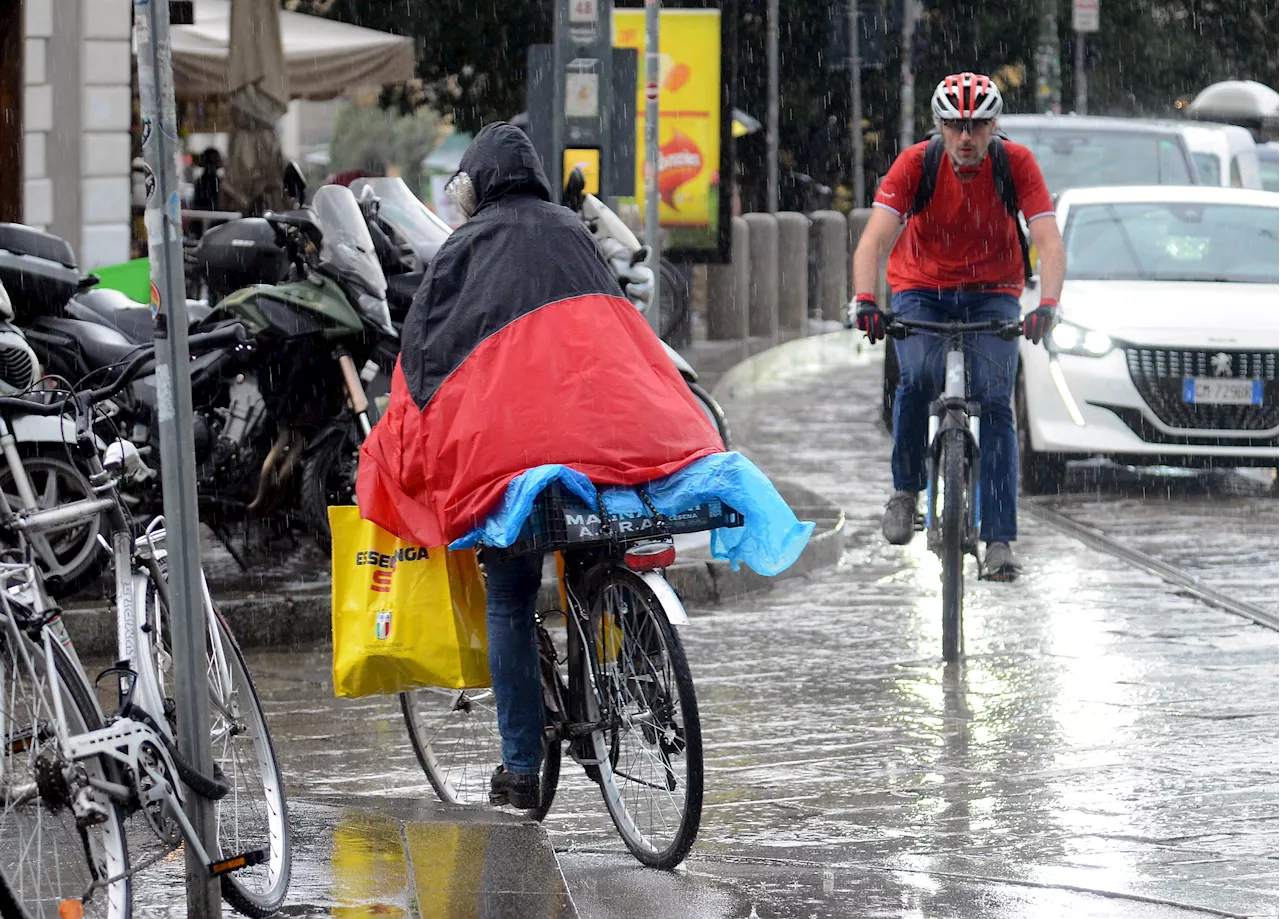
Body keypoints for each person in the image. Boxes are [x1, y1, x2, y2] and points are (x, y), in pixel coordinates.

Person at [356, 123, 726, 810]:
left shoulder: (463, 248)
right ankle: (605, 695)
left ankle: (521, 769)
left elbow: (426, 354)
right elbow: (612, 323)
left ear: (475, 188)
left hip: (514, 462)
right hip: (598, 450)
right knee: (593, 555)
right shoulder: (571, 231)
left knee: (510, 594)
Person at [849, 72, 1066, 581]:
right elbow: (874, 241)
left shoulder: (1017, 165)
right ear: (939, 126)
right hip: (921, 289)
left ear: (993, 126)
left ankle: (998, 540)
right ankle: (905, 492)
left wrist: (1048, 303)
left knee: (995, 402)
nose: (965, 137)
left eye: (976, 125)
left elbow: (1049, 243)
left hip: (994, 292)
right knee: (917, 378)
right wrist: (865, 300)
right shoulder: (914, 163)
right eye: (954, 125)